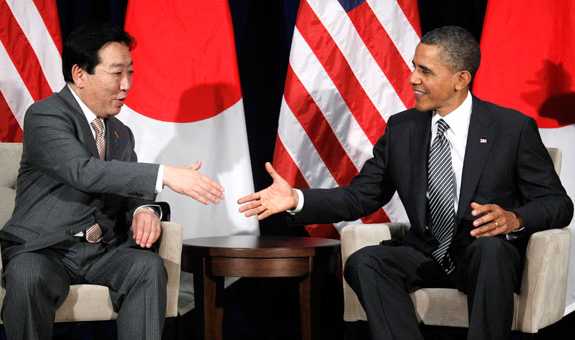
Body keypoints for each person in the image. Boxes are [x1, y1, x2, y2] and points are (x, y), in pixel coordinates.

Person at [238, 26, 573, 340]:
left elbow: (558, 204)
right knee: (364, 262)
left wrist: (515, 219)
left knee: (490, 249)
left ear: (461, 79)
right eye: (414, 67)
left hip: (485, 259)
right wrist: (297, 199)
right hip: (426, 255)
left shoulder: (511, 128)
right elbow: (362, 196)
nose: (412, 78)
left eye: (425, 71)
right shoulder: (403, 129)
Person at [0, 22, 224, 340]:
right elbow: (83, 171)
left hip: (102, 251)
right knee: (28, 275)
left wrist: (145, 210)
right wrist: (165, 174)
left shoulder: (119, 132)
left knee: (147, 267)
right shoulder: (46, 116)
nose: (127, 84)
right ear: (80, 74)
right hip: (44, 249)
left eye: (130, 73)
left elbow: (127, 191)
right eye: (117, 73)